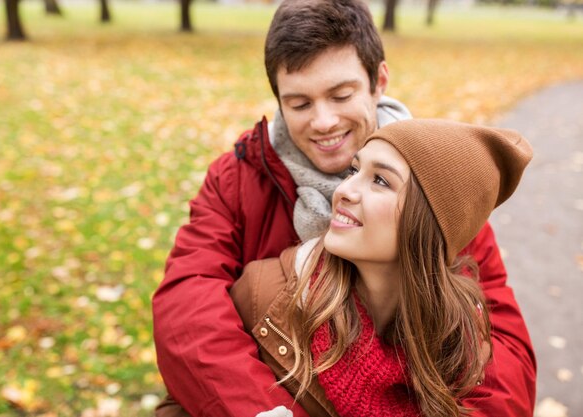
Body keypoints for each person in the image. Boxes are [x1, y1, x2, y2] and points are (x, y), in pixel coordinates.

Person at [152, 0, 536, 415]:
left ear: (379, 81)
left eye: (341, 95)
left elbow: (501, 338)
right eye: (299, 104)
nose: (323, 121)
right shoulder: (240, 177)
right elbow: (187, 301)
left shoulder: (439, 184)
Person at [229, 119, 533, 417]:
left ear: (427, 223)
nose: (345, 190)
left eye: (380, 181)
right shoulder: (269, 295)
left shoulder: (460, 342)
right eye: (354, 170)